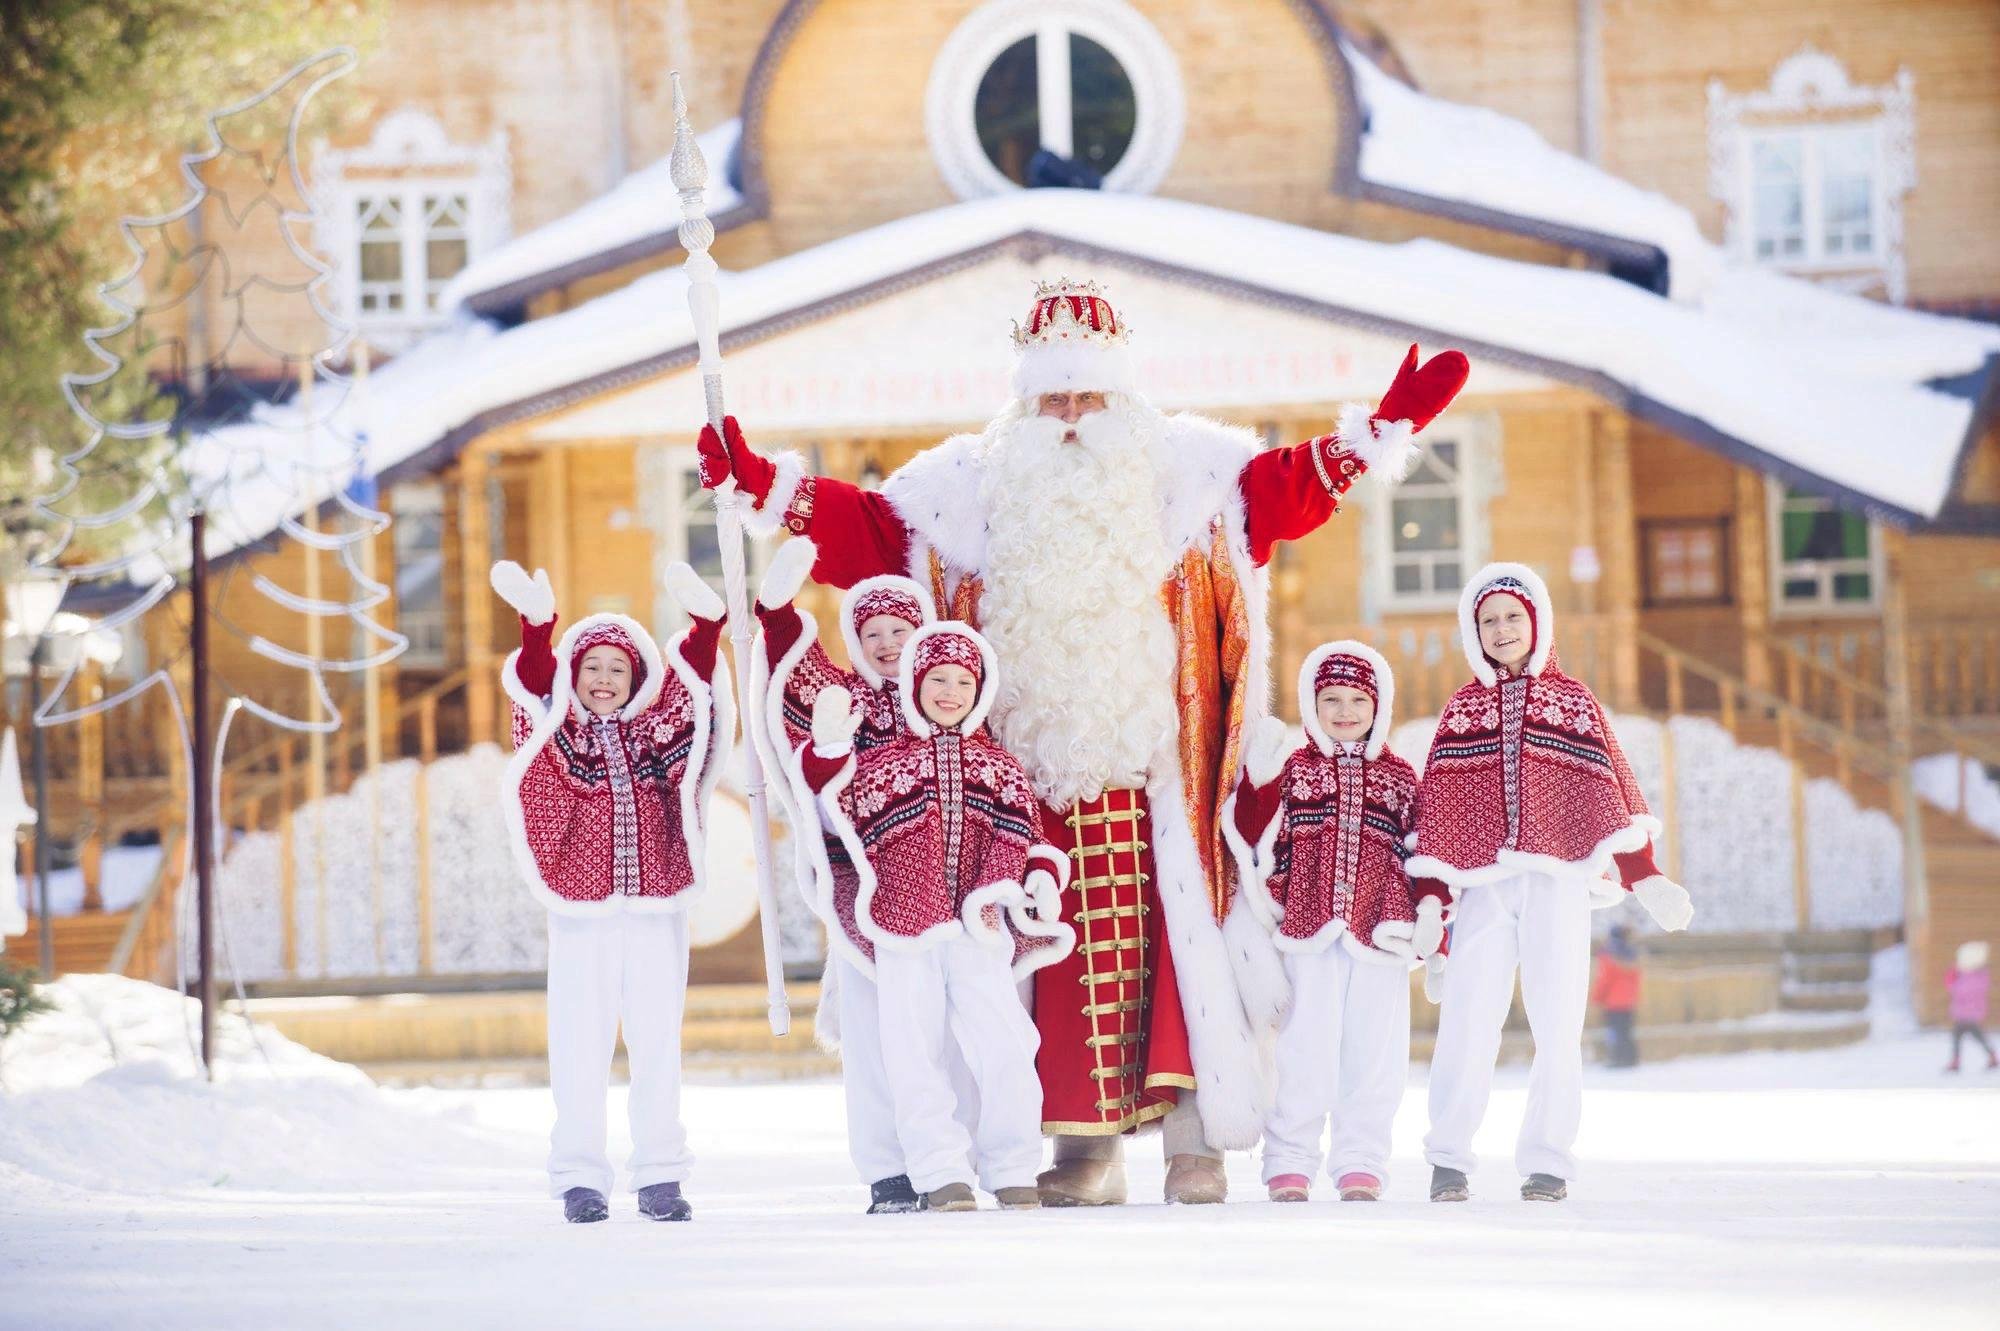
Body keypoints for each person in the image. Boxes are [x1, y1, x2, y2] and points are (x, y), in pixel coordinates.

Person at [697, 276, 1469, 1204]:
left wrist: (1378, 428)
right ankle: (1079, 1150)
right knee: (1051, 971)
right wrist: (762, 487)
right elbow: (864, 530)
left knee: (1184, 961)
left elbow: (1287, 488)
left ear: (1121, 394)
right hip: (1022, 778)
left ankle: (1194, 1141)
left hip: (1163, 771)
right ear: (1024, 399)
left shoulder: (1191, 476)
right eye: (1052, 397)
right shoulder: (963, 490)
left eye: (1087, 396)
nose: (1069, 416)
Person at [1407, 561, 1693, 1204]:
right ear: (1472, 632)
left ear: (1537, 621)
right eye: (1488, 621)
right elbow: (1438, 815)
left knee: (1558, 1019)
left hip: (1557, 882)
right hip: (1484, 887)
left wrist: (1642, 873)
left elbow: (1610, 790)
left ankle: (1548, 1160)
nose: (1502, 629)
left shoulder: (1574, 702)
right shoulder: (1462, 710)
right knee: (1467, 1019)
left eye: (1513, 616)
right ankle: (1448, 1156)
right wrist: (1434, 907)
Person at [490, 558, 734, 1224]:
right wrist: (538, 636)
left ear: (637, 677)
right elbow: (533, 701)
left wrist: (705, 631)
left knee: (657, 1039)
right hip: (582, 910)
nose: (602, 680)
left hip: (655, 906)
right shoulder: (558, 729)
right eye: (591, 667)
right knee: (578, 1041)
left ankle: (659, 1171)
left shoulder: (656, 731)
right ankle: (579, 1174)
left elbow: (699, 712)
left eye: (617, 670)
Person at [799, 623, 1074, 1211]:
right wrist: (826, 753)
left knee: (1006, 1041)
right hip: (905, 925)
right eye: (938, 680)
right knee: (912, 1047)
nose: (949, 691)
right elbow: (834, 812)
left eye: (963, 681)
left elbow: (1028, 837)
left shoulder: (998, 768)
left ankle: (1011, 1164)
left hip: (981, 927)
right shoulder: (884, 766)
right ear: (916, 685)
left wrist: (1043, 879)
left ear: (980, 690)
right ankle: (939, 1170)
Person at [751, 535, 967, 1214]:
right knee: (873, 1033)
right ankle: (888, 1169)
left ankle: (952, 1157)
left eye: (899, 629)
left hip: (946, 890)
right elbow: (793, 674)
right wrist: (779, 614)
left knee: (948, 1032)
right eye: (870, 631)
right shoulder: (841, 696)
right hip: (863, 887)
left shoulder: (949, 693)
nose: (884, 642)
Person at [1223, 641, 1434, 1203]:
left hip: (1381, 931)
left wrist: (1430, 913)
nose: (1344, 711)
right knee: (1304, 1048)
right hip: (1309, 927)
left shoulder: (1399, 778)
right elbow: (1257, 837)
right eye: (1331, 699)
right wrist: (1257, 781)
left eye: (1357, 700)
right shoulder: (1295, 771)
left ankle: (1361, 1159)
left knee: (1374, 1052)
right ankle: (1290, 1158)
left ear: (1378, 704)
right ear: (1312, 704)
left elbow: (1423, 849)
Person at [1591, 925, 1643, 1069]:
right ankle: (1630, 1059)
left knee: (1614, 1031)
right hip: (1629, 1000)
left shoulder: (1608, 956)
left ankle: (1617, 1059)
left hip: (1613, 1001)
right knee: (1627, 1030)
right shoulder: (1632, 954)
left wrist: (1597, 998)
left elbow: (1604, 980)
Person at [1944, 940, 1994, 1073]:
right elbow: (1953, 988)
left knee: (1966, 1035)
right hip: (1964, 1013)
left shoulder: (1976, 977)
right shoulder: (1970, 975)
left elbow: (1959, 990)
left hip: (1969, 1013)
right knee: (1970, 1035)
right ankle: (1991, 1056)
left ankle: (1957, 1061)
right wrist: (1953, 975)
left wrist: (1953, 978)